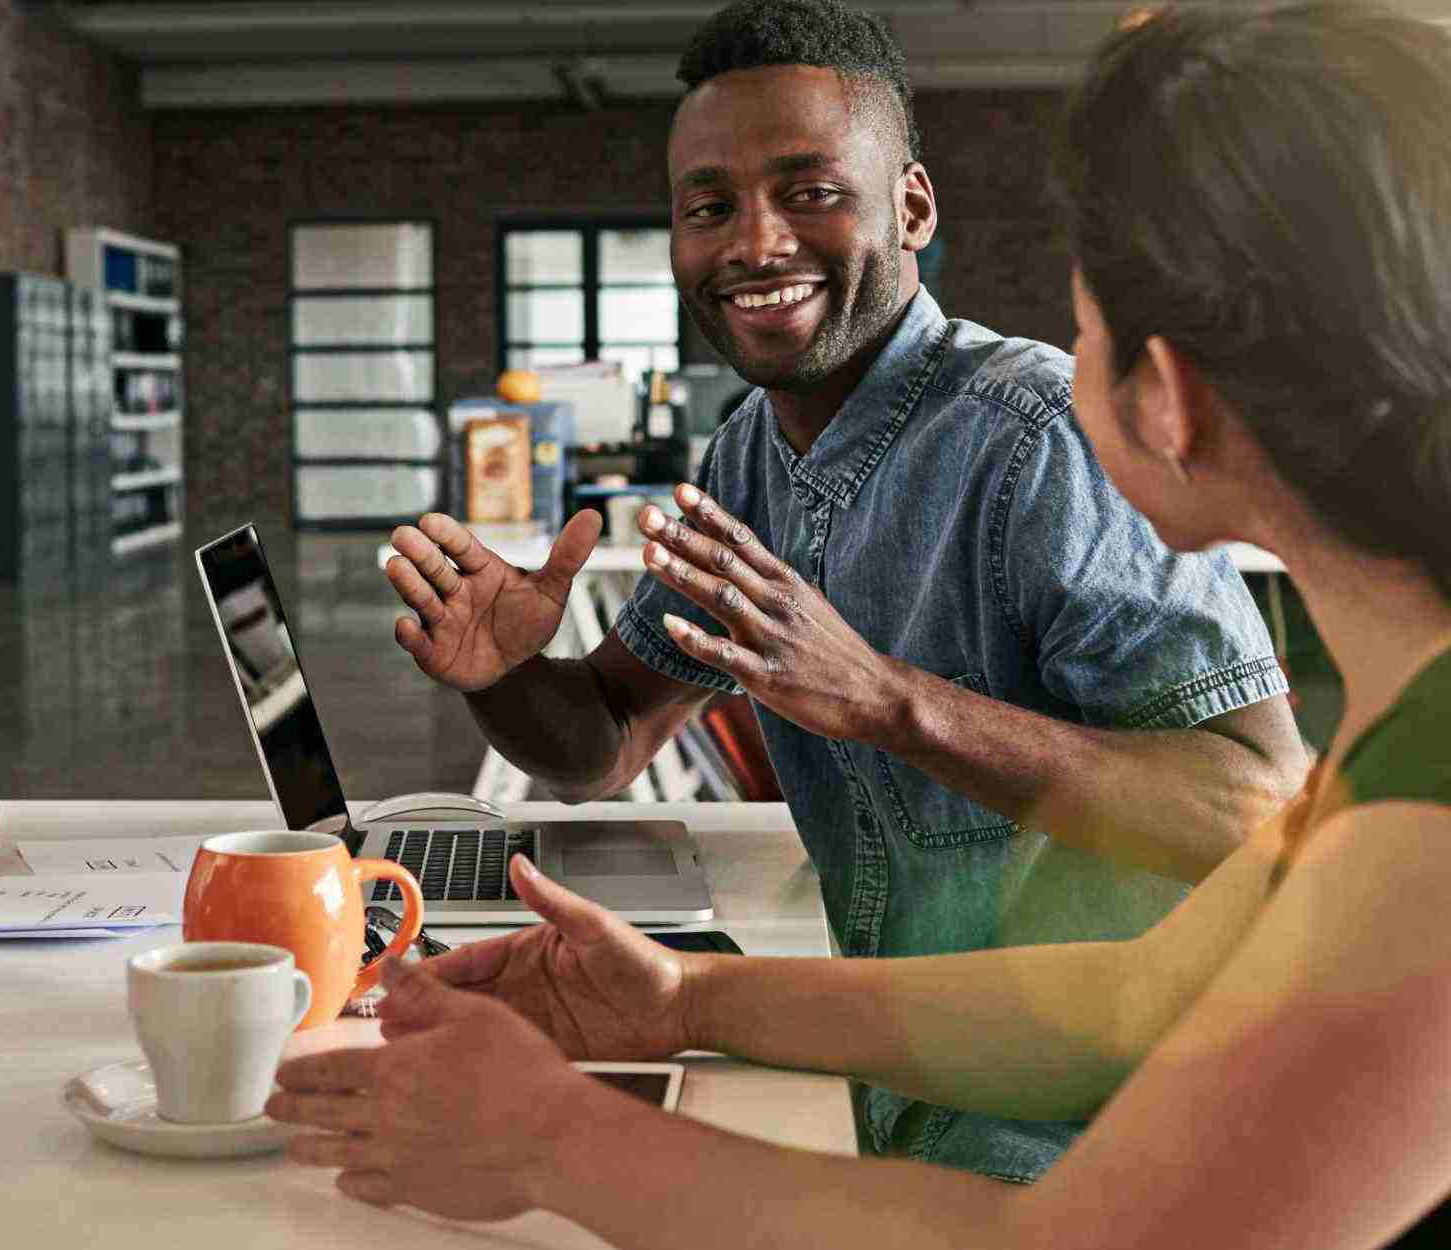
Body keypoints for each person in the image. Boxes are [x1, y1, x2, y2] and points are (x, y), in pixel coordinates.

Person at [272, 4, 1451, 1244]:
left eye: (1087, 317)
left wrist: (547, 1135)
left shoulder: (1418, 803)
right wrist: (681, 996)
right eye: (710, 203)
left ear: (1166, 396)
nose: (1061, 349)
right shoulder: (1404, 727)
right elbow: (1129, 992)